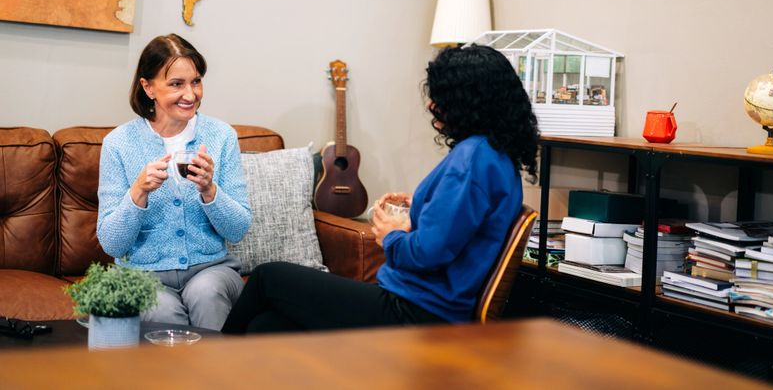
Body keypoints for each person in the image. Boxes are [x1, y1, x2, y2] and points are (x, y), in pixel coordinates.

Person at [222, 45, 539, 333]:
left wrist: (391, 236)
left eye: (442, 97)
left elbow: (426, 254)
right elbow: (461, 227)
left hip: (415, 310)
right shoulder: (497, 156)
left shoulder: (471, 159)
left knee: (267, 277)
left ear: (470, 101)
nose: (431, 104)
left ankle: (204, 366)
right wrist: (421, 208)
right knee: (267, 326)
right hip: (427, 304)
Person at [97, 34, 251, 331]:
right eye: (177, 84)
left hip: (211, 270)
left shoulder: (221, 136)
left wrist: (210, 190)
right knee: (159, 309)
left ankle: (217, 377)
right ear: (148, 87)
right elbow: (112, 243)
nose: (191, 94)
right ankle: (177, 379)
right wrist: (138, 192)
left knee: (207, 293)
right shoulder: (118, 143)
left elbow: (238, 229)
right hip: (142, 274)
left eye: (196, 81)